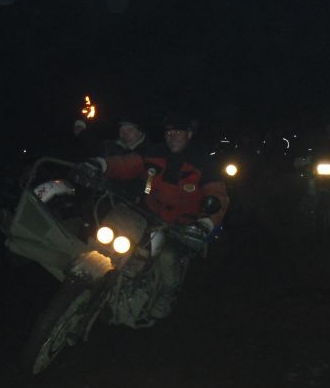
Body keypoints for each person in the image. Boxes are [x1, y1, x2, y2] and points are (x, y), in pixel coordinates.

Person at [84, 112, 229, 318]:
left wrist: (206, 222)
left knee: (168, 258)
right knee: (114, 226)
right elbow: (130, 163)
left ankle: (166, 295)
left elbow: (217, 194)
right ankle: (92, 272)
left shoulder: (204, 163)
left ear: (189, 134)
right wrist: (102, 165)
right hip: (148, 213)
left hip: (180, 226)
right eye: (169, 132)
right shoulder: (155, 152)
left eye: (178, 132)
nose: (172, 136)